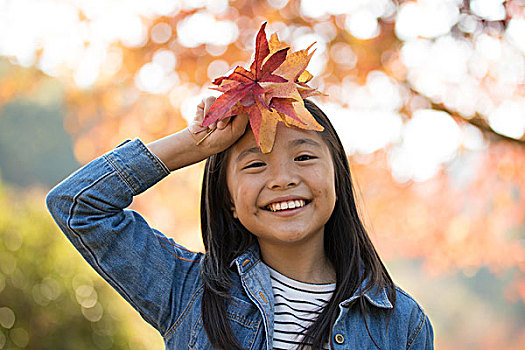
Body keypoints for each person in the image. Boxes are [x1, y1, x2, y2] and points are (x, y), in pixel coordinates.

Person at [46, 96, 434, 349]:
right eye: (255, 164)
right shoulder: (187, 291)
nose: (282, 179)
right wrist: (194, 144)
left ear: (337, 178)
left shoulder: (400, 323)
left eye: (303, 158)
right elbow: (77, 206)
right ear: (228, 200)